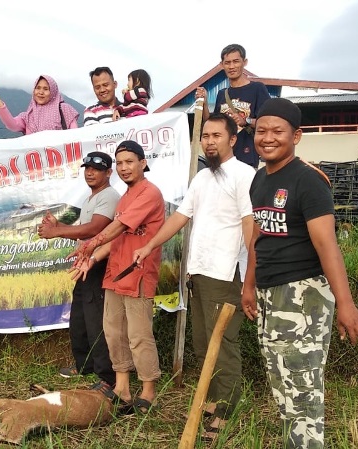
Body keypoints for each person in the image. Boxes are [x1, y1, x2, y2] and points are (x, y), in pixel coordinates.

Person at [242, 98, 358, 448]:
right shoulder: (260, 179)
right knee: (283, 387)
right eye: (261, 131)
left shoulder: (308, 180)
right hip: (270, 296)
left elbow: (327, 245)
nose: (268, 138)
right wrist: (249, 285)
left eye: (278, 131)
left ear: (296, 135)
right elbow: (259, 236)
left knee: (302, 393)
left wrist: (345, 304)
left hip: (303, 297)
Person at [132, 113, 254, 440]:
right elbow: (180, 218)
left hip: (226, 273)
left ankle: (226, 412)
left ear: (232, 140)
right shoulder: (202, 179)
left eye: (217, 135)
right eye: (206, 136)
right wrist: (149, 245)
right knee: (202, 344)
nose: (210, 141)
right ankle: (213, 401)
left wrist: (253, 275)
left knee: (222, 344)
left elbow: (249, 225)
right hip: (198, 272)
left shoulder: (244, 175)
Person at [69, 140, 164, 414]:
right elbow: (118, 238)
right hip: (115, 274)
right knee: (113, 333)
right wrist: (92, 257)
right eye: (120, 163)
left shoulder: (150, 193)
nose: (124, 168)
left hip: (138, 274)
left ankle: (148, 390)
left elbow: (118, 227)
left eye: (129, 162)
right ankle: (121, 386)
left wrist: (90, 243)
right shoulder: (125, 197)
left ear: (143, 163)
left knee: (139, 335)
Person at [37, 151, 120, 389]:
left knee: (96, 321)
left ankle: (107, 377)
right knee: (80, 318)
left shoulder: (109, 195)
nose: (90, 172)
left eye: (97, 169)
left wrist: (57, 231)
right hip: (85, 264)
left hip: (98, 263)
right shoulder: (92, 197)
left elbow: (95, 229)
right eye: (87, 168)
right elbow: (85, 228)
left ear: (108, 173)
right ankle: (84, 365)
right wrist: (59, 225)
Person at [196, 44, 270, 169]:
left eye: (236, 61)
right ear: (222, 65)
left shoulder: (257, 88)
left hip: (247, 159)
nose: (231, 66)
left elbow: (268, 123)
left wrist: (245, 121)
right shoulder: (222, 94)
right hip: (222, 159)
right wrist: (204, 103)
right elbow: (212, 123)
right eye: (227, 62)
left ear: (244, 62)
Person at [0, 75, 79, 135]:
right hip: (36, 164)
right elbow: (11, 125)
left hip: (60, 164)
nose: (41, 92)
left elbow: (75, 137)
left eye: (46, 89)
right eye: (38, 88)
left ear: (53, 92)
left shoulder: (64, 110)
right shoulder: (28, 116)